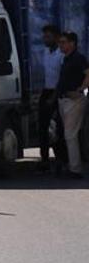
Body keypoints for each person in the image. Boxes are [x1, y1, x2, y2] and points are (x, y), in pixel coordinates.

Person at [56, 31, 89, 179]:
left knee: (70, 135)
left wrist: (81, 89)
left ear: (72, 43)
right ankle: (72, 165)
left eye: (63, 42)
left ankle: (75, 169)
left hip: (74, 100)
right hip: (65, 99)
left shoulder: (78, 58)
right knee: (68, 134)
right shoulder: (67, 59)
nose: (60, 45)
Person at [37, 25, 67, 171]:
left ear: (56, 38)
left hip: (57, 92)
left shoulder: (61, 55)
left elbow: (62, 77)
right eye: (44, 36)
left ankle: (60, 159)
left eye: (48, 37)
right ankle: (44, 159)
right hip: (46, 91)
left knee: (58, 128)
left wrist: (54, 97)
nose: (45, 39)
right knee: (42, 127)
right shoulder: (45, 52)